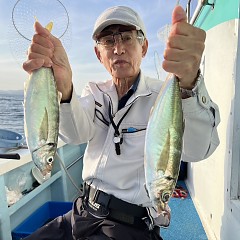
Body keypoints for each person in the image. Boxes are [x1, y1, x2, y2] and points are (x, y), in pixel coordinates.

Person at [23, 5, 220, 240]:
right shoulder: (94, 92)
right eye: (108, 41)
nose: (118, 49)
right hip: (82, 212)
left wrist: (189, 84)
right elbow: (77, 133)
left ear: (144, 47)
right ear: (99, 54)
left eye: (127, 38)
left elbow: (198, 149)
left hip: (128, 225)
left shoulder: (164, 94)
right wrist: (64, 88)